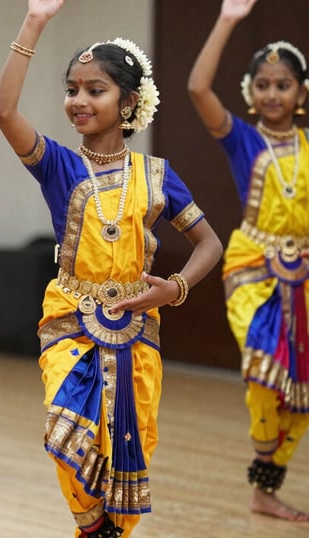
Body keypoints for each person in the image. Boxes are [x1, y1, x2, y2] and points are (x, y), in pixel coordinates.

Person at [0, 1, 223, 536]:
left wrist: (177, 288)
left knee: (129, 442)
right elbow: (4, 111)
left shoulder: (157, 175)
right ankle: (91, 526)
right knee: (65, 428)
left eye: (95, 89)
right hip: (71, 315)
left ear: (129, 102)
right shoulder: (57, 163)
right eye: (72, 88)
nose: (78, 100)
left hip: (138, 329)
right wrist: (34, 23)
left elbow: (208, 243)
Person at [187, 0, 309, 523]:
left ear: (301, 93)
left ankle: (266, 487)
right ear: (251, 94)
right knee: (263, 372)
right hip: (252, 266)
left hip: (303, 274)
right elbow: (196, 90)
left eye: (283, 84)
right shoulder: (242, 138)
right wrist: (228, 20)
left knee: (300, 392)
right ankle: (264, 485)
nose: (273, 93)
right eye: (263, 84)